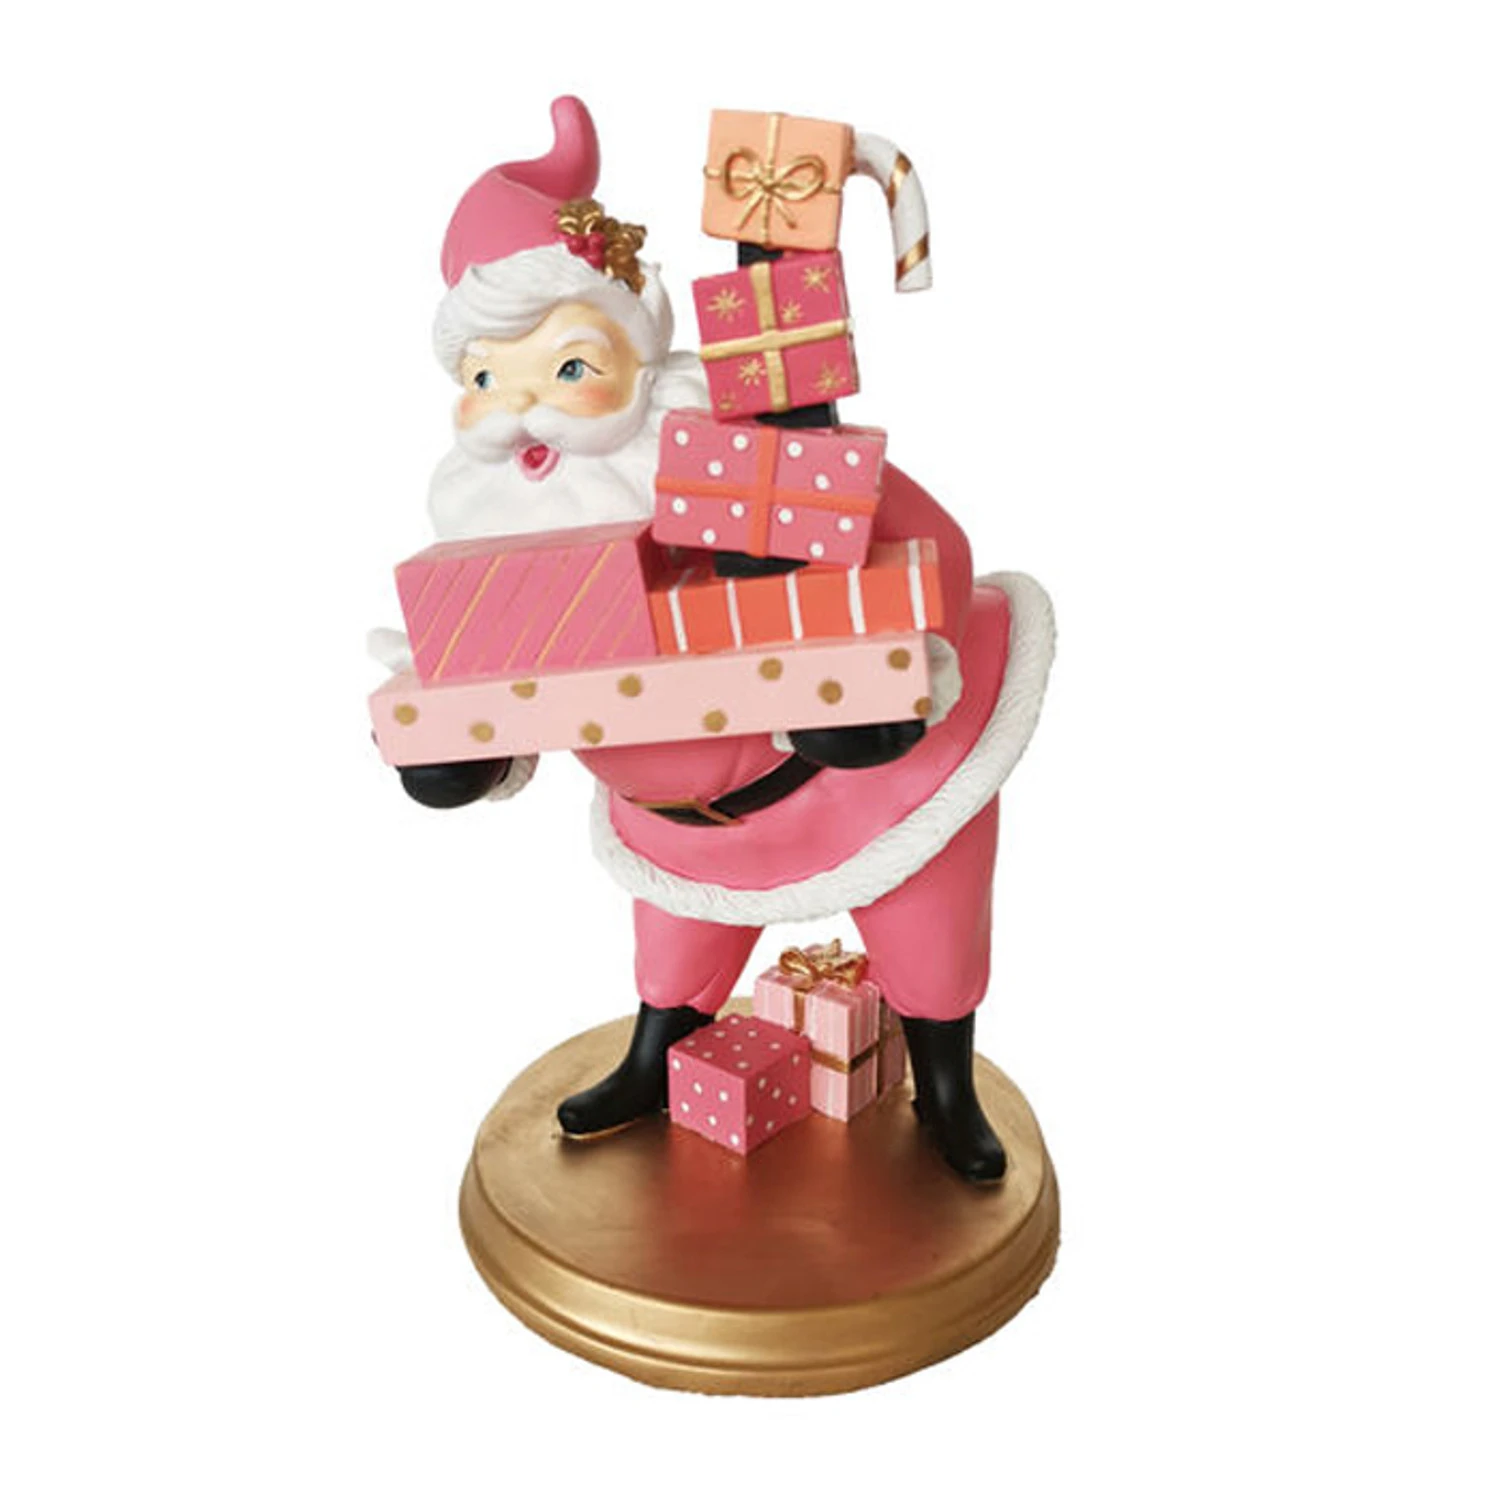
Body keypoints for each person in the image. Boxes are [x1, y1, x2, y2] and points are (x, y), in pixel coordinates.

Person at [378, 97, 1055, 1183]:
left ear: (644, 366)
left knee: (925, 929)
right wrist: (470, 754)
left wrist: (892, 670)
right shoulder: (494, 536)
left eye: (567, 370)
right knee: (673, 943)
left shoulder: (751, 470)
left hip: (852, 785)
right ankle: (656, 1056)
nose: (524, 417)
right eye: (487, 383)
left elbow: (928, 544)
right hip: (678, 817)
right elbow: (493, 688)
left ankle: (946, 1086)